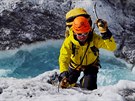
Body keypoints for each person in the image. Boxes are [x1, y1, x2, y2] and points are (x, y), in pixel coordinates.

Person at [58, 11, 117, 90]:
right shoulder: (69, 41)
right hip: (75, 65)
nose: (83, 36)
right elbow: (64, 58)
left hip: (91, 65)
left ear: (89, 31)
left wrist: (105, 33)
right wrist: (63, 73)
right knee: (67, 85)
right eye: (79, 34)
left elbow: (111, 47)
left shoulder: (94, 39)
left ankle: (85, 82)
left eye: (85, 33)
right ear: (74, 32)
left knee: (89, 88)